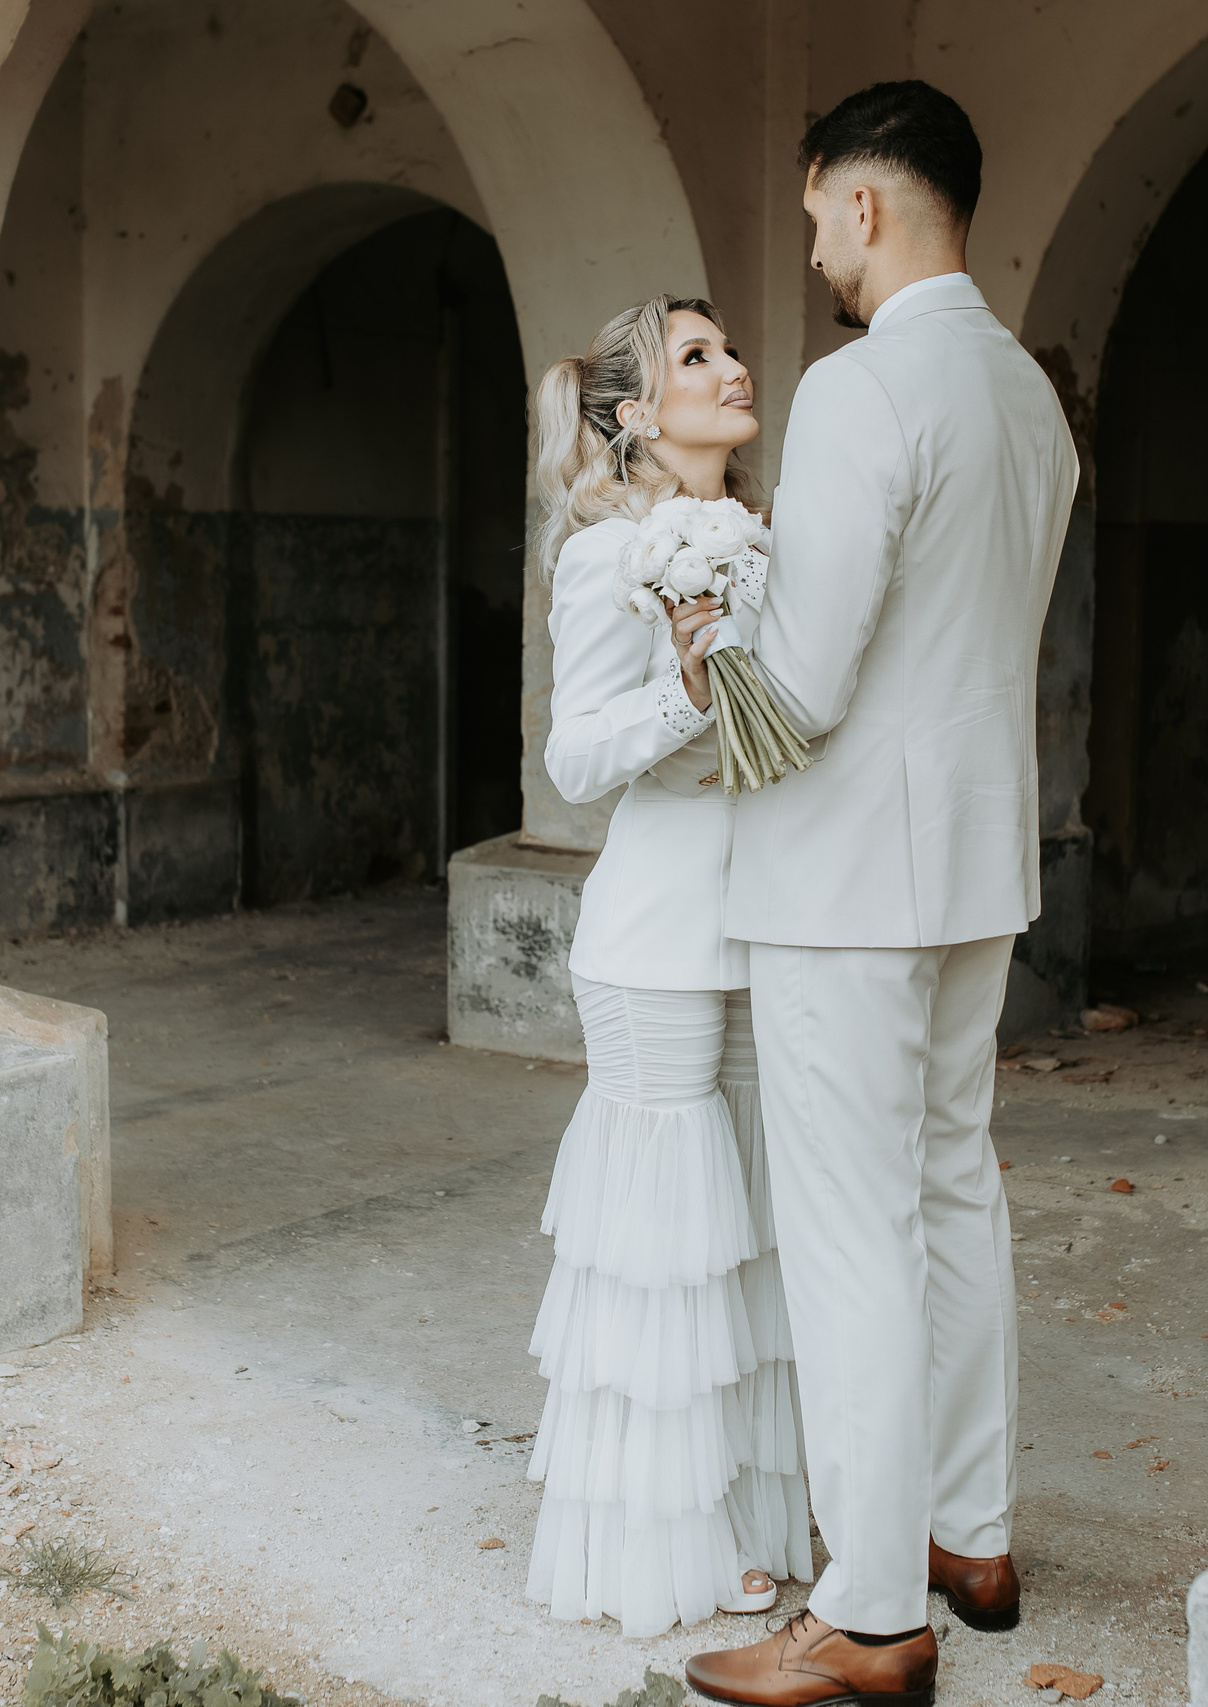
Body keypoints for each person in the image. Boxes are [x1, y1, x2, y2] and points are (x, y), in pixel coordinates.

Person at [685, 81, 1078, 1706]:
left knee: (849, 1231)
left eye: (814, 222)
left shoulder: (863, 394)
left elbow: (813, 679)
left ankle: (866, 1611)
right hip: (978, 856)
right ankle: (970, 1537)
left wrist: (712, 645)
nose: (816, 256)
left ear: (863, 206)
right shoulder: (1033, 399)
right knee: (950, 1188)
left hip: (848, 869)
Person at [523, 294, 812, 1639]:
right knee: (667, 1247)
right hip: (654, 930)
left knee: (752, 1230)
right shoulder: (604, 557)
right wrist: (685, 693)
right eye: (699, 358)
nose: (735, 367)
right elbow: (573, 763)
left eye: (729, 349)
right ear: (637, 413)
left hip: (769, 911)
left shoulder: (764, 542)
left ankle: (756, 1508)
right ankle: (668, 1535)